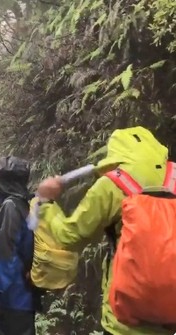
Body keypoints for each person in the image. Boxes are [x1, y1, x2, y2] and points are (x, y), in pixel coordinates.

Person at [36, 127, 176, 335]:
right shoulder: (173, 176)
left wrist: (46, 202)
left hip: (122, 321)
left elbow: (69, 236)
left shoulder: (112, 185)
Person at [0, 156, 39, 335]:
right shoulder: (25, 204)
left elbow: (5, 257)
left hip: (11, 299)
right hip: (24, 295)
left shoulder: (10, 207)